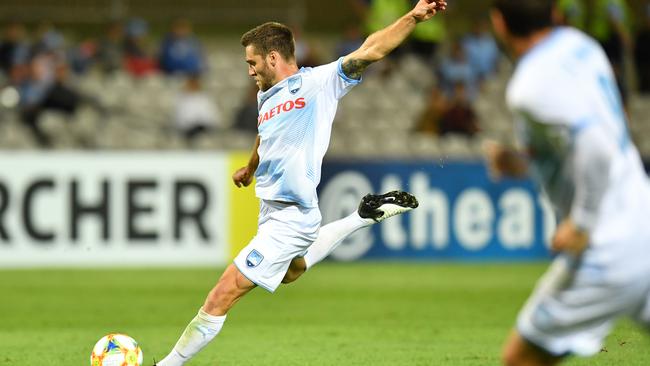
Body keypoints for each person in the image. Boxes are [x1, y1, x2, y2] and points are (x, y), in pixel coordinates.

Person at [154, 1, 446, 365]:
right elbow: (266, 134)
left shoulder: (319, 82)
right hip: (273, 213)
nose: (249, 71)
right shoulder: (266, 96)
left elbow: (372, 49)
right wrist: (249, 167)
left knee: (222, 294)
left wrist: (413, 17)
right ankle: (362, 216)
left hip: (292, 216)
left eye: (253, 63)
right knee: (292, 272)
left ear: (273, 57)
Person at [486, 1, 650, 365]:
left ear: (499, 23)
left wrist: (582, 223)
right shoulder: (581, 45)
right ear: (555, 12)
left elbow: (596, 148)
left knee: (521, 359)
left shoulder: (530, 86)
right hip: (643, 221)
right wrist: (522, 162)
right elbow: (594, 134)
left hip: (608, 247)